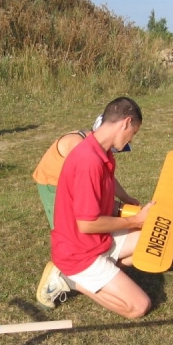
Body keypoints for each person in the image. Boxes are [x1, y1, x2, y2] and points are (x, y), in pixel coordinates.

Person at [35, 97, 154, 319]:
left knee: (151, 239)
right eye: (134, 133)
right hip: (78, 253)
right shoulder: (88, 161)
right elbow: (88, 224)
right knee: (139, 306)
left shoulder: (100, 151)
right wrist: (135, 221)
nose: (132, 139)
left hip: (96, 240)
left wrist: (127, 202)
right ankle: (71, 280)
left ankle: (105, 269)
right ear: (126, 123)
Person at [32, 117, 137, 229]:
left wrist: (126, 198)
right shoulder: (79, 147)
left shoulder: (97, 146)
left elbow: (107, 177)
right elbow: (85, 185)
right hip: (53, 184)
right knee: (66, 226)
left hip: (70, 183)